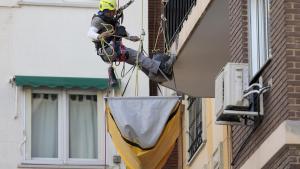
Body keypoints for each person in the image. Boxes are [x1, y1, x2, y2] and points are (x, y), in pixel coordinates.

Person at [87, 0, 176, 85]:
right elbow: (90, 33)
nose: (113, 13)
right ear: (105, 10)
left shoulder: (111, 20)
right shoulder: (98, 20)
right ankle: (163, 68)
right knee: (139, 56)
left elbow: (119, 32)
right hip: (108, 51)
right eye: (111, 11)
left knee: (138, 62)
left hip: (115, 50)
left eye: (113, 11)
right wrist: (99, 36)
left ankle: (155, 75)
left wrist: (130, 37)